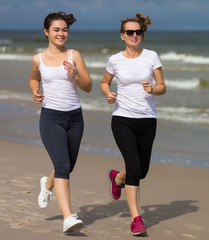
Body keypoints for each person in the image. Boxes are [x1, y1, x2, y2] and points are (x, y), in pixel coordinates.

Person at [100, 13, 166, 236]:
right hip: (122, 119)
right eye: (130, 32)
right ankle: (136, 219)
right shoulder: (115, 59)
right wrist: (109, 93)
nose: (134, 35)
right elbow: (104, 82)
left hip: (147, 119)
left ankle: (117, 177)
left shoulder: (151, 56)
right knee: (135, 169)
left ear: (142, 34)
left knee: (141, 170)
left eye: (138, 32)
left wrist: (153, 89)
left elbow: (162, 86)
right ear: (122, 36)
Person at [29, 11, 92, 233]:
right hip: (51, 118)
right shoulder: (38, 58)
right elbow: (34, 77)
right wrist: (35, 91)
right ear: (47, 32)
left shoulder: (75, 55)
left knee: (67, 165)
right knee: (63, 166)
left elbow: (88, 86)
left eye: (64, 29)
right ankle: (68, 217)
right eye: (56, 29)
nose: (61, 33)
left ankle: (47, 184)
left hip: (75, 118)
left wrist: (75, 75)